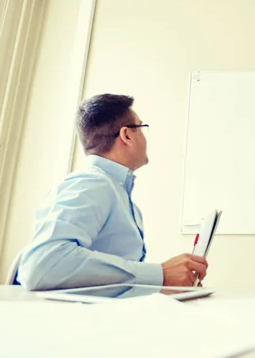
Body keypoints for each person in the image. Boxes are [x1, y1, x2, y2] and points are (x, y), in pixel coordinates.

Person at [16, 93, 208, 291]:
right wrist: (160, 275)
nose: (145, 137)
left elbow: (107, 285)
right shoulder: (92, 184)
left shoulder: (121, 198)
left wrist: (163, 285)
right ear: (127, 135)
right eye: (141, 128)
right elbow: (42, 266)